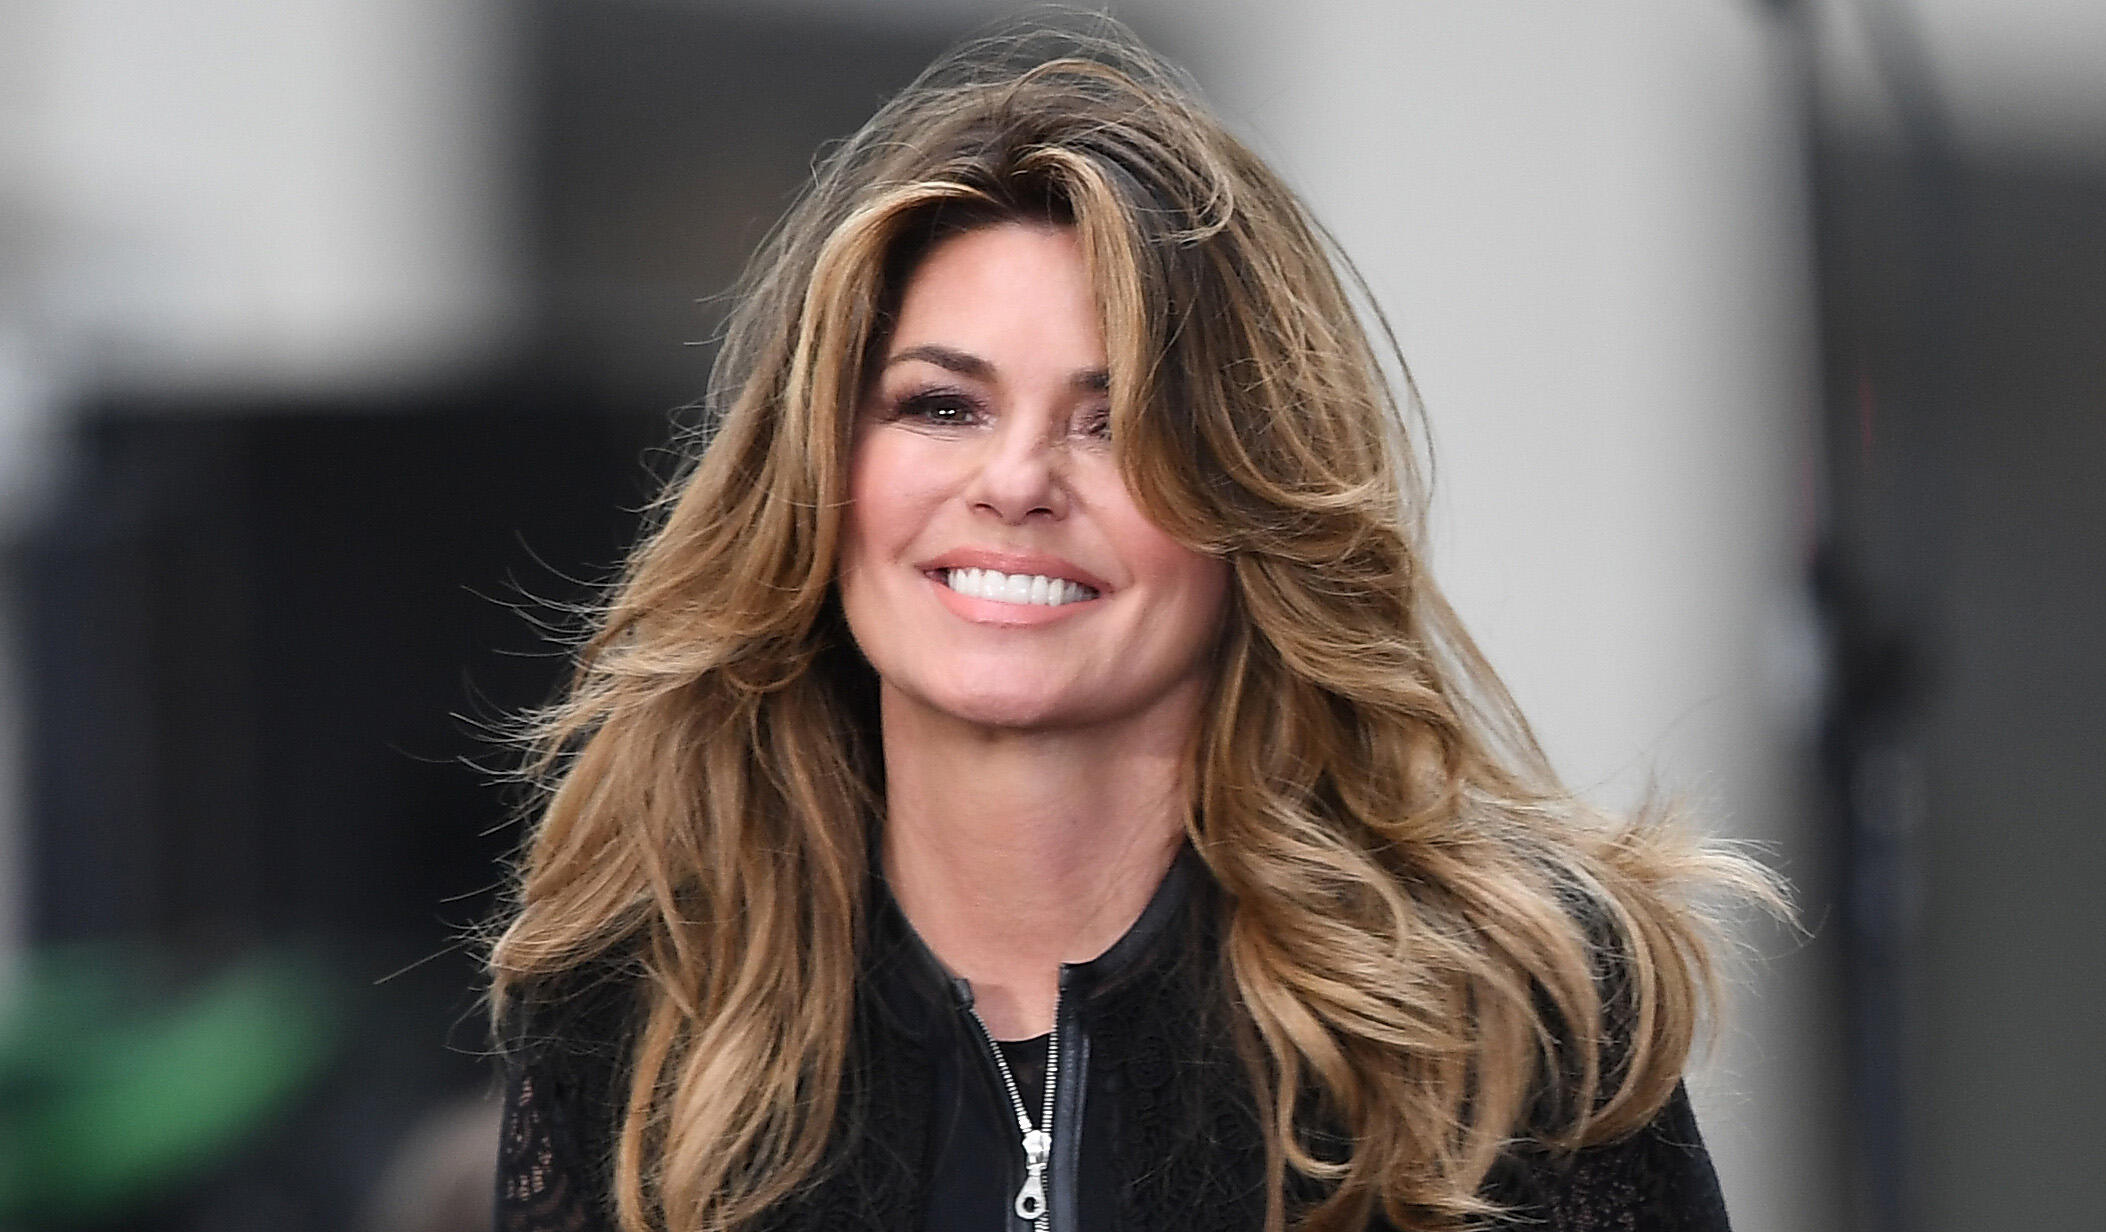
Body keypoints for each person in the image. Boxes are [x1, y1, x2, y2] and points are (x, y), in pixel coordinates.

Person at [488, 20, 1780, 1232]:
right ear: (820, 476)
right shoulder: (638, 1014)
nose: (1015, 481)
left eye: (1115, 422)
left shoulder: (1505, 1013)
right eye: (941, 406)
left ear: (1248, 500)